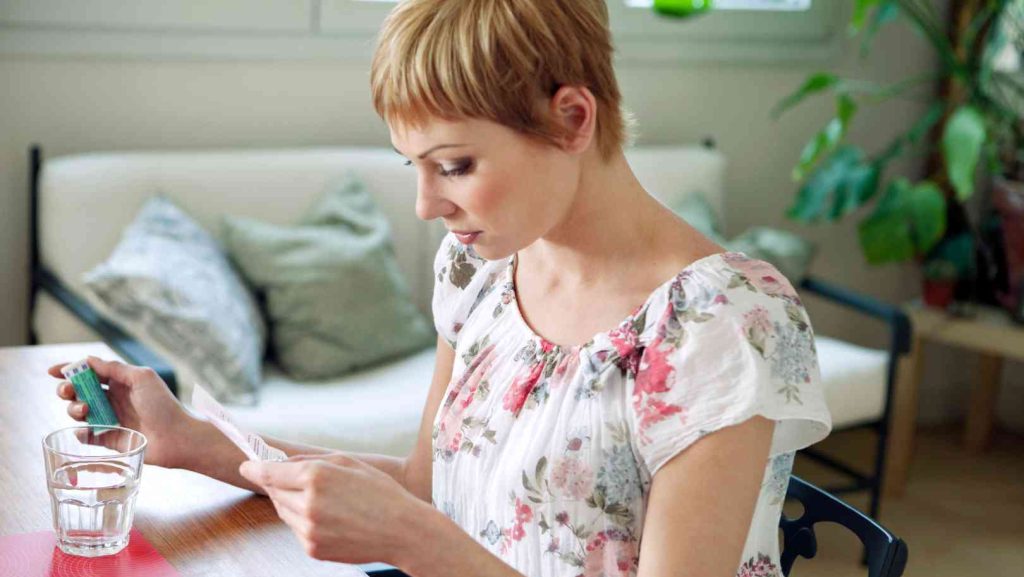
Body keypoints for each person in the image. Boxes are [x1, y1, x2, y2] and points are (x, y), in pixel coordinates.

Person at [50, 1, 832, 575]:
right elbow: (428, 487)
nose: (427, 205)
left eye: (454, 165)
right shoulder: (480, 271)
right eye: (413, 167)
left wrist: (412, 541)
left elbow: (419, 523)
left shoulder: (718, 326)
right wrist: (194, 441)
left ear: (572, 119)